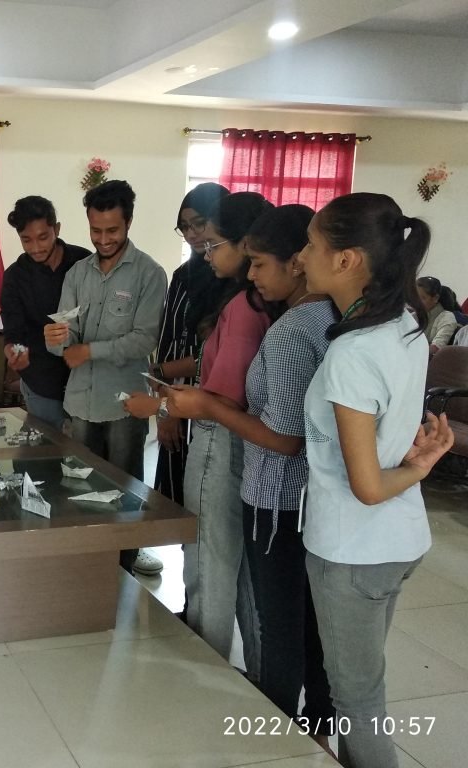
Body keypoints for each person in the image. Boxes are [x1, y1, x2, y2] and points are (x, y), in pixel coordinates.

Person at [163, 205, 335, 749]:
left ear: (298, 261)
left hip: (275, 492)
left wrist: (202, 406)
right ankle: (309, 718)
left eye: (258, 262)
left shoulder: (288, 328)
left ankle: (274, 725)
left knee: (267, 608)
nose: (252, 272)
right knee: (300, 613)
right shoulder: (333, 318)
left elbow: (283, 436)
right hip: (309, 496)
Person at [299, 193, 453, 768]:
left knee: (358, 701)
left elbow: (365, 486)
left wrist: (418, 466)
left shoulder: (354, 352)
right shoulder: (406, 325)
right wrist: (411, 461)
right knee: (362, 689)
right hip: (398, 540)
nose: (302, 257)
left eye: (311, 245)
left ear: (347, 259)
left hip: (353, 550)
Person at [126, 192, 274, 675]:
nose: (204, 252)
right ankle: (245, 667)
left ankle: (204, 665)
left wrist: (160, 403)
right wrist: (172, 372)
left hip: (219, 440)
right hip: (236, 440)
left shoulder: (244, 307)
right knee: (233, 562)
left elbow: (219, 397)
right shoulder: (249, 301)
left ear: (244, 244)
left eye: (212, 244)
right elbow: (215, 364)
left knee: (208, 558)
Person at [44, 180, 168, 576]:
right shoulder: (77, 274)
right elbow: (66, 338)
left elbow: (145, 339)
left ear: (129, 222)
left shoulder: (149, 274)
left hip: (124, 404)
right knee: (78, 485)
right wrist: (56, 340)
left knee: (124, 488)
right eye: (95, 230)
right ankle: (85, 567)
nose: (103, 239)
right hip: (80, 401)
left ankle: (124, 565)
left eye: (112, 230)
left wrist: (89, 351)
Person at [151, 182, 230, 505]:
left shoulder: (235, 282)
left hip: (217, 406)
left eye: (199, 223)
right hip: (177, 400)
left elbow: (218, 355)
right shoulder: (182, 276)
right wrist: (166, 410)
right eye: (184, 227)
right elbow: (168, 343)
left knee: (208, 500)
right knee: (175, 491)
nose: (193, 234)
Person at [0, 196, 90, 429]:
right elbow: (14, 333)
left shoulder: (83, 262)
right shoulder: (15, 277)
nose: (36, 248)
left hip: (86, 381)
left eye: (43, 237)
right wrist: (15, 352)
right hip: (41, 383)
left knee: (86, 449)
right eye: (26, 240)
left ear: (56, 229)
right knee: (46, 447)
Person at [416, 276, 458, 351]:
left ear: (435, 298)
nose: (417, 302)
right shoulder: (413, 316)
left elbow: (436, 347)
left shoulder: (446, 317)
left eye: (423, 298)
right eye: (415, 297)